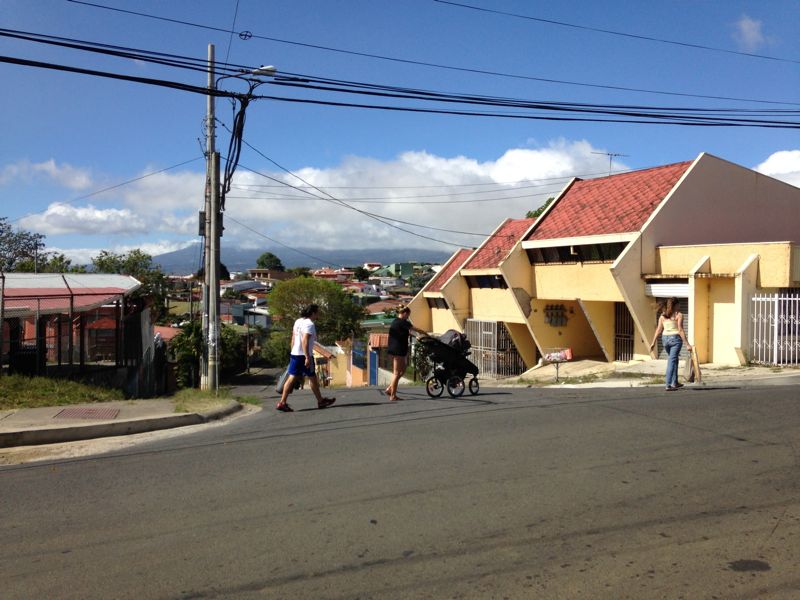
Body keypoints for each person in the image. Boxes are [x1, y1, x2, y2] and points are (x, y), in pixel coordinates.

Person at [276, 304, 336, 412]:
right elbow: (305, 340)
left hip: (295, 354)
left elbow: (293, 337)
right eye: (318, 312)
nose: (319, 314)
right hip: (304, 355)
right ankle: (320, 401)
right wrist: (307, 357)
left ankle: (282, 402)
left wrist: (292, 352)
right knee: (312, 377)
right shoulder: (310, 324)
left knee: (292, 377)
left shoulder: (298, 321)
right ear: (313, 313)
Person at [649, 297, 692, 391]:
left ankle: (674, 382)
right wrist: (687, 344)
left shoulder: (662, 316)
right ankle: (668, 384)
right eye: (678, 304)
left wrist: (653, 342)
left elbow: (659, 330)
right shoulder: (679, 315)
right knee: (671, 362)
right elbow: (680, 330)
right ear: (675, 305)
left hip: (665, 340)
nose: (680, 306)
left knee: (674, 359)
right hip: (675, 339)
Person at [384, 306, 427, 401]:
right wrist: (424, 333)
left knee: (402, 370)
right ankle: (393, 395)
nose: (408, 317)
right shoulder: (403, 322)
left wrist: (416, 337)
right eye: (408, 315)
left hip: (396, 348)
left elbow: (405, 332)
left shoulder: (395, 321)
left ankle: (390, 389)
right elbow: (414, 329)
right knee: (396, 373)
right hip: (398, 349)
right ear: (404, 313)